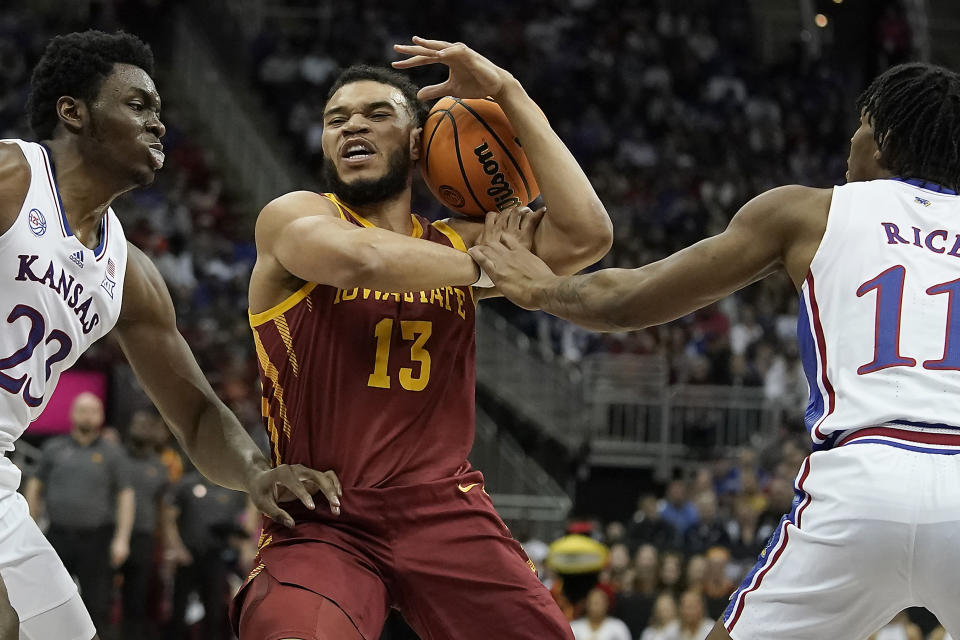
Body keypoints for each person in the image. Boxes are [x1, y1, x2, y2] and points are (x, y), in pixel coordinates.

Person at [470, 62, 960, 639]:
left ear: (883, 141)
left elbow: (628, 301)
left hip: (862, 478)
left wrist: (536, 287)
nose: (851, 139)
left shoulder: (808, 212)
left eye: (861, 125)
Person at [230, 36, 612, 640]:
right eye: (336, 119)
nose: (352, 124)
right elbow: (359, 260)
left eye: (377, 113)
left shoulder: (454, 241)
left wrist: (509, 94)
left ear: (418, 143)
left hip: (444, 507)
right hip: (325, 513)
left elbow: (588, 235)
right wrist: (494, 268)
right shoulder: (294, 215)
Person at [0, 30, 338, 640]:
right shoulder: (13, 176)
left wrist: (258, 471)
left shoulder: (127, 273)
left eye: (159, 109)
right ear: (72, 111)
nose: (158, 123)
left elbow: (198, 416)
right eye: (137, 105)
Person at [24, 392, 133, 633]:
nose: (87, 415)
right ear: (72, 414)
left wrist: (122, 539)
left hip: (97, 540)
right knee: (49, 601)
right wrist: (30, 524)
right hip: (57, 536)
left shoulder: (113, 453)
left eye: (93, 410)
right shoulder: (54, 448)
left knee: (97, 604)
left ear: (101, 415)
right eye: (82, 410)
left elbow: (125, 495)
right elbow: (35, 485)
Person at [119, 410, 170, 639]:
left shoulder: (159, 466)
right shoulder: (116, 458)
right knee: (100, 593)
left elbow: (163, 508)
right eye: (136, 423)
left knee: (137, 595)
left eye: (145, 425)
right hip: (112, 532)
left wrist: (167, 542)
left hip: (144, 535)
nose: (140, 428)